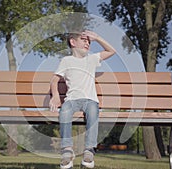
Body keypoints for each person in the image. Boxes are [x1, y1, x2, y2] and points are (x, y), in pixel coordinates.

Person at [49, 30, 116, 169]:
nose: (88, 43)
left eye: (89, 41)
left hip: (90, 100)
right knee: (65, 112)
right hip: (71, 100)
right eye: (84, 40)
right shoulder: (66, 61)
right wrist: (55, 96)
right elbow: (54, 80)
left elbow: (111, 51)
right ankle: (67, 150)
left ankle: (89, 150)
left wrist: (97, 38)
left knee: (93, 111)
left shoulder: (91, 59)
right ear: (73, 42)